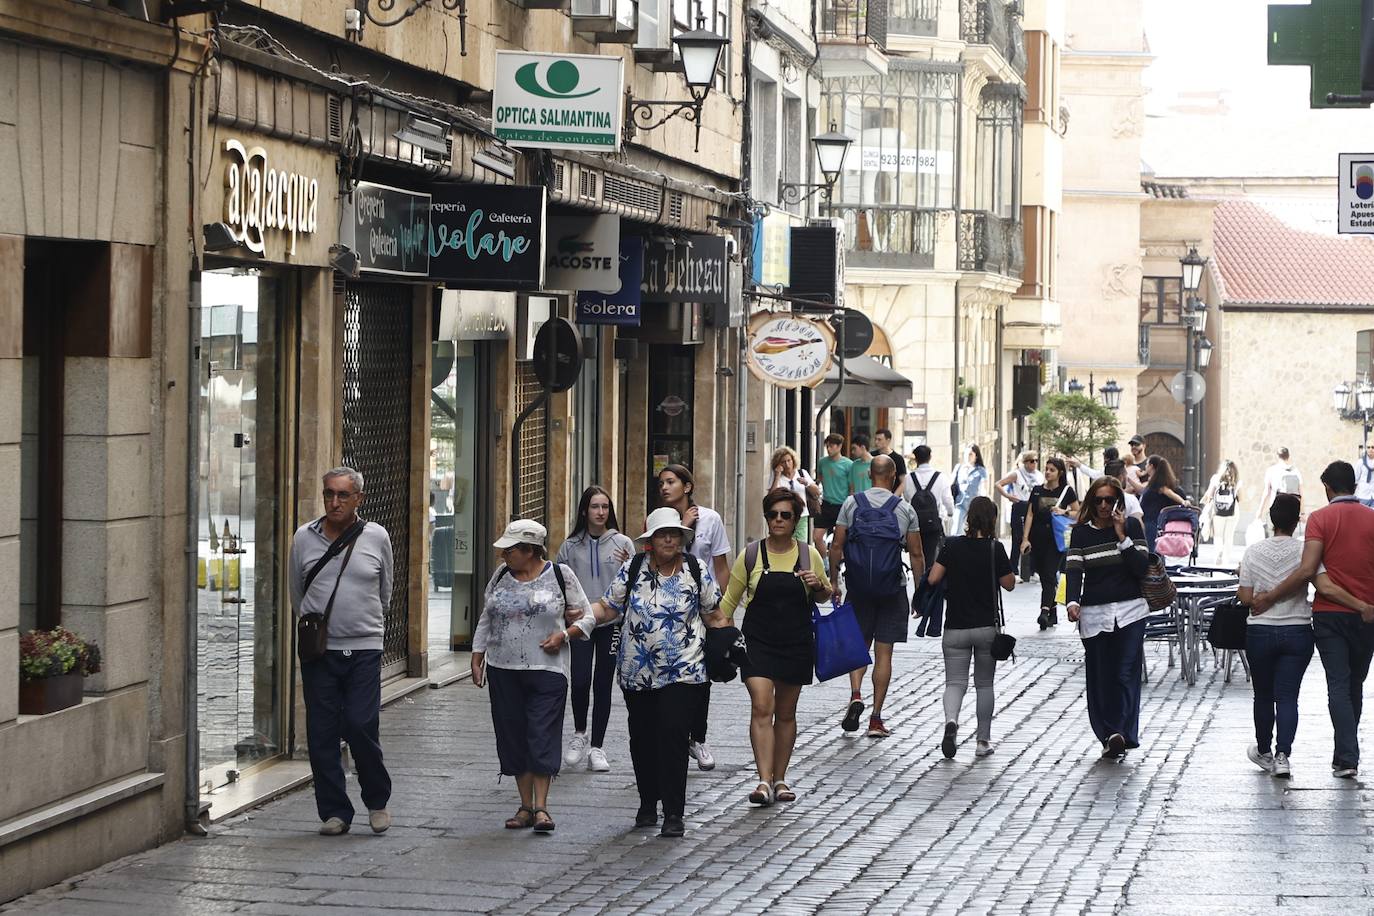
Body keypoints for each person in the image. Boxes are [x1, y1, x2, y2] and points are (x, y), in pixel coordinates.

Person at [593, 507, 726, 837]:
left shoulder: (695, 570)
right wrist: (576, 619)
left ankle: (674, 813)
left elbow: (715, 614)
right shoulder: (634, 568)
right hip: (637, 672)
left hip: (685, 670)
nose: (668, 538)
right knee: (642, 738)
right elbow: (608, 607)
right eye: (661, 534)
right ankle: (647, 802)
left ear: (682, 537)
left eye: (674, 533)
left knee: (674, 736)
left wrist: (730, 643)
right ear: (650, 541)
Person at [289, 466, 395, 836]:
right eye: (329, 494)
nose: (334, 502)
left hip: (364, 647)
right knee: (321, 732)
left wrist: (366, 625)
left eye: (343, 496)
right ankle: (335, 811)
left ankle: (377, 799)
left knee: (361, 724)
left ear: (358, 500)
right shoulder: (303, 537)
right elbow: (297, 593)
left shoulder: (377, 537)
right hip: (320, 651)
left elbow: (385, 591)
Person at [1251, 461, 1374, 778]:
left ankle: (1347, 757)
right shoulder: (1372, 519)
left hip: (1330, 614)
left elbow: (1308, 571)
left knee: (1339, 684)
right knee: (1354, 684)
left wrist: (1269, 597)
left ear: (1328, 489)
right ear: (1355, 486)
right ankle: (1344, 753)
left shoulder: (1321, 519)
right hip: (1367, 615)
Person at [471, 519, 594, 833]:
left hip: (547, 670)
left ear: (530, 550)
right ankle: (525, 806)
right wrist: (477, 653)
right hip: (503, 669)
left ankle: (542, 808)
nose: (504, 556)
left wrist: (564, 635)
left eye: (510, 550)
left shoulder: (559, 575)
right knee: (512, 736)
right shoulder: (500, 576)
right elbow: (487, 616)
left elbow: (588, 617)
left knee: (541, 734)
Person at [720, 489, 832, 806]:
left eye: (785, 515)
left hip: (796, 642)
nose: (779, 520)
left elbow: (826, 595)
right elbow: (729, 600)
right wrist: (716, 633)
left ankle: (779, 779)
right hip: (757, 642)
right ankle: (762, 781)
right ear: (767, 517)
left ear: (795, 520)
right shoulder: (752, 555)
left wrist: (818, 585)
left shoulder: (809, 555)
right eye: (773, 514)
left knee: (785, 713)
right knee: (761, 705)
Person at [829, 455, 926, 738]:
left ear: (869, 475)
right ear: (894, 476)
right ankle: (875, 719)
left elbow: (836, 545)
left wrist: (834, 581)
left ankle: (856, 694)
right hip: (892, 588)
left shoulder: (851, 503)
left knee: (859, 646)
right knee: (884, 654)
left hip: (858, 587)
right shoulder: (905, 509)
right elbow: (917, 554)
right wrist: (919, 593)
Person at [1064, 476, 1151, 759]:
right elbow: (1074, 570)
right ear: (1091, 501)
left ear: (1118, 502)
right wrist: (1072, 602)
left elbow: (1140, 567)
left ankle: (1121, 732)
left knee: (1125, 672)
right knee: (1101, 675)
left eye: (1109, 500)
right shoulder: (1081, 534)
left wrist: (1122, 535)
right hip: (1095, 613)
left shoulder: (1132, 527)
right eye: (1098, 500)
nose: (1103, 505)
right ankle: (1108, 733)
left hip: (1130, 611)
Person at [926, 497, 1015, 759]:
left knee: (954, 683)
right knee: (984, 685)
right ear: (992, 519)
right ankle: (982, 742)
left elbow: (933, 578)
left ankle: (951, 721)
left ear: (969, 518)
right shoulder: (994, 548)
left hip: (955, 627)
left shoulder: (952, 546)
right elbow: (1009, 583)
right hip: (986, 627)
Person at [656, 464, 732, 771]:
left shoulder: (710, 519)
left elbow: (721, 566)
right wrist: (683, 527)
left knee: (702, 676)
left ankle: (697, 738)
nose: (664, 487)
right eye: (661, 482)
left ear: (687, 487)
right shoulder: (659, 521)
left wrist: (723, 609)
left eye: (671, 482)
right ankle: (669, 736)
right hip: (664, 609)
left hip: (700, 610)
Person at [556, 487, 634, 773]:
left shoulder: (623, 543)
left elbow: (633, 582)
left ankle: (597, 748)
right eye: (594, 506)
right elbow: (558, 586)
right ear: (584, 511)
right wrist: (566, 611)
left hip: (610, 625)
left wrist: (629, 564)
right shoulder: (569, 547)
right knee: (579, 680)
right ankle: (579, 733)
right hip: (580, 627)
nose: (600, 512)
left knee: (603, 684)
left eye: (605, 506)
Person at [1238, 494, 1311, 779]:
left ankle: (1264, 751)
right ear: (1297, 520)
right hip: (1297, 628)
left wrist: (1259, 596)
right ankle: (1283, 755)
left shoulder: (1253, 551)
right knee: (1288, 696)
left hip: (1261, 630)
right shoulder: (1305, 551)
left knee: (1263, 695)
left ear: (1271, 518)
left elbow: (1244, 595)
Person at [1020, 456, 1078, 630]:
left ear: (1059, 473)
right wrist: (1025, 539)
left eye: (1051, 470)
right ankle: (1052, 612)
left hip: (1057, 540)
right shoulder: (1037, 490)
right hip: (1038, 539)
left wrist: (1064, 511)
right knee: (1043, 573)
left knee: (1048, 574)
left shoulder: (1067, 491)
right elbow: (1030, 515)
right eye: (1046, 469)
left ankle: (1044, 612)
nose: (1047, 472)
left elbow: (1079, 512)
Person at [903, 444, 956, 580]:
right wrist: (950, 513)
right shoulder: (941, 477)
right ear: (930, 457)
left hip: (914, 525)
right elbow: (947, 501)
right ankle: (930, 588)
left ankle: (918, 586)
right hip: (933, 524)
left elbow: (908, 498)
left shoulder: (909, 478)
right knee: (932, 557)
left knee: (916, 556)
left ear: (916, 459)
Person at [994, 451, 1043, 580]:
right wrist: (1009, 496)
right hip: (1020, 505)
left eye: (1036, 461)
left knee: (1034, 537)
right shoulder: (1017, 474)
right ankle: (1014, 570)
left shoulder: (1039, 475)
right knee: (1018, 538)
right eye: (1032, 461)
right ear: (1026, 462)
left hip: (1033, 506)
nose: (1034, 464)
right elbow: (998, 484)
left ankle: (1033, 570)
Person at [766, 446, 821, 545]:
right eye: (783, 462)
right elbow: (771, 497)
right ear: (778, 463)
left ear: (793, 461)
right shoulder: (776, 476)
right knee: (784, 543)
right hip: (783, 516)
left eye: (789, 460)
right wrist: (777, 476)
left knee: (800, 544)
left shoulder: (801, 473)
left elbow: (817, 492)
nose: (787, 464)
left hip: (801, 515)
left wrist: (806, 483)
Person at [814, 433, 854, 557]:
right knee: (817, 537)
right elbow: (818, 479)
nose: (829, 449)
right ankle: (825, 563)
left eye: (831, 446)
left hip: (842, 506)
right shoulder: (822, 462)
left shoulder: (848, 464)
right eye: (827, 446)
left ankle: (839, 565)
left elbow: (851, 488)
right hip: (825, 504)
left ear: (839, 446)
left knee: (839, 541)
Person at [1201, 460, 1241, 566]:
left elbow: (1210, 495)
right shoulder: (1238, 481)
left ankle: (1218, 554)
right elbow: (1240, 498)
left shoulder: (1216, 478)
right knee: (1229, 536)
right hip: (1233, 511)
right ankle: (1225, 561)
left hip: (1218, 510)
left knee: (1218, 535)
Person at [1259, 448, 1303, 535]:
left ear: (1278, 457)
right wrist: (1303, 512)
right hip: (1292, 510)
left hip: (1276, 509)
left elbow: (1266, 491)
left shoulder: (1272, 470)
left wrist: (1260, 510)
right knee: (1289, 536)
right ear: (1288, 456)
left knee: (1274, 534)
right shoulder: (1296, 471)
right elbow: (1301, 494)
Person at [951, 444, 989, 536]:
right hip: (960, 504)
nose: (968, 456)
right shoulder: (959, 468)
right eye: (966, 454)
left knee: (973, 531)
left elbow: (984, 487)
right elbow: (951, 484)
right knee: (956, 530)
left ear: (976, 456)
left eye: (970, 454)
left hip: (974, 505)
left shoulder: (981, 470)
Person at [1356, 444, 1374, 508]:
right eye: (1368, 447)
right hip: (1363, 495)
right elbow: (1356, 478)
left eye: (1373, 447)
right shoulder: (1360, 462)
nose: (1370, 449)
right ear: (1366, 449)